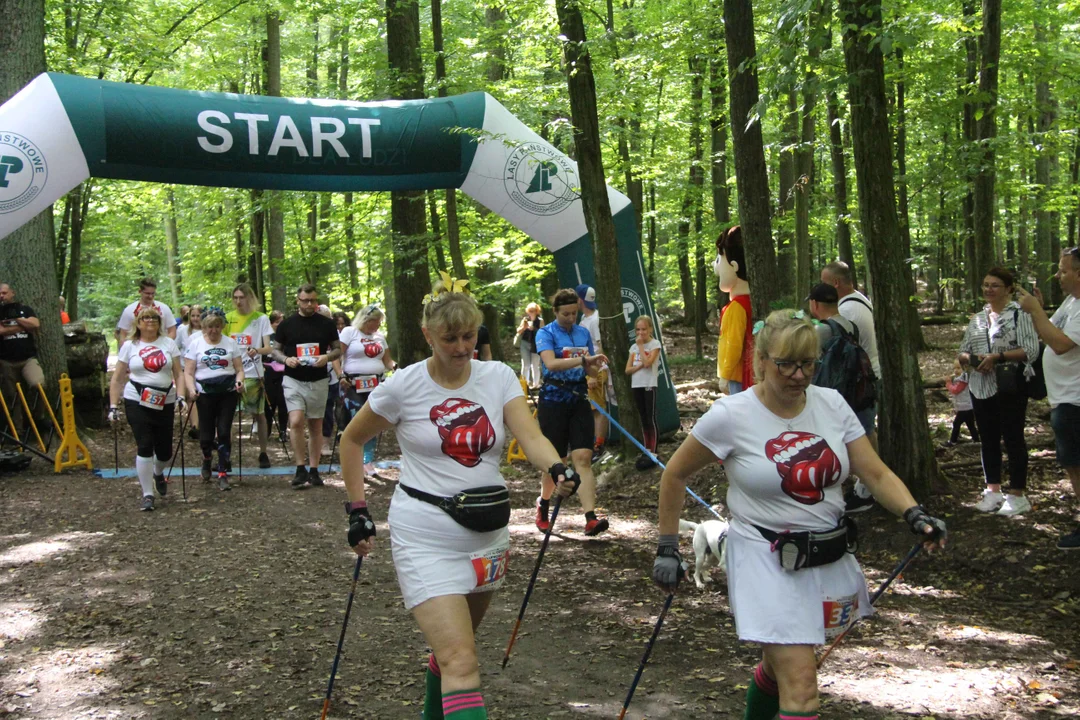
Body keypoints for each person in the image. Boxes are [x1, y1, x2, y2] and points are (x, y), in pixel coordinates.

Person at [652, 309, 946, 720]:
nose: (798, 374)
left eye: (808, 363)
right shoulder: (731, 415)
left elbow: (875, 471)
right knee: (803, 688)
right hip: (763, 557)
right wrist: (668, 547)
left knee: (778, 669)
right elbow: (675, 474)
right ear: (761, 360)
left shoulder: (831, 403)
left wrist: (914, 513)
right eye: (785, 364)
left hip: (826, 553)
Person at [339, 287, 578, 720]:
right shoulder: (404, 385)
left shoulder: (498, 377)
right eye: (450, 339)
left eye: (469, 336)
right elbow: (351, 440)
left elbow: (531, 436)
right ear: (428, 335)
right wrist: (358, 509)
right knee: (462, 663)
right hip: (424, 533)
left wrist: (557, 468)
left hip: (488, 535)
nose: (462, 347)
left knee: (452, 653)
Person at [958, 266, 1039, 516]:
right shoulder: (977, 319)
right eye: (985, 285)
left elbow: (1031, 349)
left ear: (1008, 289)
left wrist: (998, 357)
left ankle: (1017, 494)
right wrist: (970, 360)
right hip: (980, 386)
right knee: (988, 438)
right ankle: (992, 491)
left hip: (1010, 385)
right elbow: (962, 351)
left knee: (1013, 437)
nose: (988, 290)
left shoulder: (1019, 315)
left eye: (994, 285)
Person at [534, 287, 611, 535]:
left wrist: (596, 367)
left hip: (579, 399)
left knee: (583, 459)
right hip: (553, 401)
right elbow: (551, 364)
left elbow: (588, 369)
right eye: (565, 314)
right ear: (555, 311)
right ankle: (544, 503)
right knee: (556, 461)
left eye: (574, 313)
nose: (570, 318)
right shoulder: (545, 334)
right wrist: (583, 361)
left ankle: (590, 517)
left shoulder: (582, 333)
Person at [1017, 247, 1080, 549]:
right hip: (1065, 400)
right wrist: (1037, 311)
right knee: (1073, 465)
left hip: (1076, 403)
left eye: (1063, 270)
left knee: (1077, 465)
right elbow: (1047, 331)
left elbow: (1060, 344)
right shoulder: (1071, 303)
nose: (1057, 275)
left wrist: (1037, 311)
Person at [108, 306, 185, 511]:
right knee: (144, 444)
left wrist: (181, 396)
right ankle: (147, 494)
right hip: (136, 398)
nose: (150, 321)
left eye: (154, 318)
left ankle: (158, 473)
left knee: (165, 452)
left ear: (159, 323)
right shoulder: (130, 345)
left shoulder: (168, 343)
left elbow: (179, 373)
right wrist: (113, 406)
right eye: (145, 318)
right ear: (138, 323)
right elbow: (117, 378)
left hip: (164, 399)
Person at [268, 284, 342, 489]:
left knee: (316, 425)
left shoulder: (327, 324)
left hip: (318, 379)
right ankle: (300, 468)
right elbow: (276, 351)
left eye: (313, 300)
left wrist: (326, 357)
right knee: (296, 419)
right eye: (305, 301)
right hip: (293, 379)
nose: (309, 304)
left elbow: (337, 350)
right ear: (298, 301)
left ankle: (314, 469)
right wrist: (286, 360)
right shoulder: (287, 324)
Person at [821, 261, 880, 513]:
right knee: (864, 429)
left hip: (860, 379)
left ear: (835, 283)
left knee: (862, 432)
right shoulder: (858, 300)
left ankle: (868, 486)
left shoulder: (847, 310)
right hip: (865, 374)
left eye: (824, 282)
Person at [184, 308, 245, 490]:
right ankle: (207, 458)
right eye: (210, 327)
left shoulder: (230, 343)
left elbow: (239, 369)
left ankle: (223, 471)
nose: (214, 330)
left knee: (224, 431)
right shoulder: (196, 344)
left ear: (222, 326)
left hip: (227, 391)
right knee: (206, 435)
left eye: (217, 326)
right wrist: (192, 389)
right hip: (205, 392)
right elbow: (188, 372)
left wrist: (239, 382)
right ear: (204, 327)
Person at [339, 304, 395, 479]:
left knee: (373, 421)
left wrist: (396, 367)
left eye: (379, 323)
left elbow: (387, 361)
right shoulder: (350, 332)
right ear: (365, 320)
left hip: (376, 384)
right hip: (353, 384)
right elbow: (336, 356)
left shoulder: (379, 337)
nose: (377, 326)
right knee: (357, 420)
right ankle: (353, 459)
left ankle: (367, 460)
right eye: (374, 322)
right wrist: (340, 375)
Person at [226, 283, 274, 469]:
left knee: (258, 413)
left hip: (254, 372)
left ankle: (263, 452)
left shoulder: (260, 319)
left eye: (242, 297)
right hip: (231, 373)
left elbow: (268, 347)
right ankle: (226, 456)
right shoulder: (228, 319)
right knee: (228, 416)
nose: (238, 301)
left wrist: (257, 350)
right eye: (235, 298)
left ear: (249, 298)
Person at [0, 283, 45, 434]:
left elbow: (35, 324)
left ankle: (38, 418)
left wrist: (18, 319)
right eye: (0, 294)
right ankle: (18, 430)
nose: (2, 296)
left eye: (5, 293)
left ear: (12, 293)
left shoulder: (24, 309)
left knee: (38, 385)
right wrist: (23, 327)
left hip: (27, 359)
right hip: (6, 361)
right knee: (12, 397)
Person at [715, 226, 754, 394]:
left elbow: (733, 344)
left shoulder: (736, 307)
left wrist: (725, 374)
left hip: (739, 376)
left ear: (734, 266)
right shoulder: (749, 302)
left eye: (718, 260)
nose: (715, 266)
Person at [576, 284, 609, 461]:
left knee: (598, 409)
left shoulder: (595, 319)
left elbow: (600, 346)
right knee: (589, 409)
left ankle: (599, 445)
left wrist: (595, 373)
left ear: (580, 300)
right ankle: (590, 443)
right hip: (585, 369)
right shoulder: (583, 318)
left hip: (595, 369)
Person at [626, 315, 662, 470]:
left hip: (649, 384)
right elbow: (627, 370)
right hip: (637, 384)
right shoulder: (633, 348)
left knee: (650, 416)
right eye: (638, 330)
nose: (641, 333)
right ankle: (646, 448)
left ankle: (653, 451)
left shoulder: (654, 344)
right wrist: (640, 364)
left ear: (650, 329)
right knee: (642, 417)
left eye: (644, 329)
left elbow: (649, 363)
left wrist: (641, 347)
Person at [116, 278, 176, 345]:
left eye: (153, 293)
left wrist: (165, 346)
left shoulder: (164, 308)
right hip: (136, 348)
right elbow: (123, 334)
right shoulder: (129, 310)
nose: (150, 296)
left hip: (160, 347)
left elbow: (172, 331)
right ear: (140, 291)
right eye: (147, 293)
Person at [176, 304, 203, 440]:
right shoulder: (182, 330)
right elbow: (177, 346)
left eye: (198, 316)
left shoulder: (207, 330)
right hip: (186, 366)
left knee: (201, 396)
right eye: (193, 316)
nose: (195, 318)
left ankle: (203, 424)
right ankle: (195, 426)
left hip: (201, 368)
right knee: (190, 396)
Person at [263, 310, 289, 445]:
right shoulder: (267, 336)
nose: (279, 325)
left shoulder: (287, 335)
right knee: (269, 403)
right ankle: (266, 430)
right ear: (271, 323)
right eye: (277, 322)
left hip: (283, 372)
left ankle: (283, 431)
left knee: (283, 402)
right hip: (269, 372)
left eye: (282, 322)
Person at [945, 359, 979, 447]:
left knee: (956, 423)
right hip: (965, 406)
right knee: (970, 424)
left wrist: (948, 384)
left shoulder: (963, 379)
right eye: (954, 368)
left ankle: (953, 441)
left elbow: (956, 390)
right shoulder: (960, 379)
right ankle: (976, 439)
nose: (956, 370)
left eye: (958, 368)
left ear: (964, 368)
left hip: (965, 406)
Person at [515, 303, 544, 389]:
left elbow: (543, 332)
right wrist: (524, 327)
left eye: (533, 311)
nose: (531, 313)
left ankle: (536, 384)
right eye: (529, 311)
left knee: (535, 365)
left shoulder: (540, 320)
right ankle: (524, 384)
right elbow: (518, 331)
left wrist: (534, 329)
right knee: (525, 364)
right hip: (525, 343)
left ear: (536, 311)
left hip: (536, 344)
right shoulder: (525, 320)